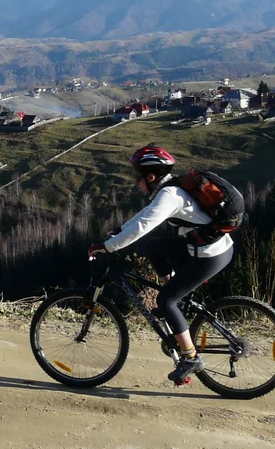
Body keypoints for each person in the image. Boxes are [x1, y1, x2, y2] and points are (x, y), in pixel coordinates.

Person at [87, 145, 235, 385]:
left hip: (210, 254)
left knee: (165, 301)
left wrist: (109, 247)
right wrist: (117, 232)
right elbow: (143, 217)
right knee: (154, 247)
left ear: (151, 176)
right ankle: (175, 301)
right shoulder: (168, 190)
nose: (136, 183)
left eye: (138, 177)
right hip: (202, 248)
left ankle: (190, 358)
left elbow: (143, 227)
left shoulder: (169, 196)